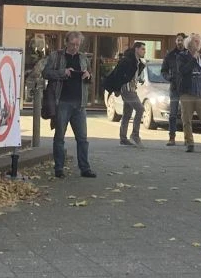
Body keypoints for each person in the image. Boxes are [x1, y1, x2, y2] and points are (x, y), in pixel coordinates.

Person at [43, 30, 95, 178]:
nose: (75, 47)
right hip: (62, 102)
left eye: (78, 45)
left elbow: (91, 78)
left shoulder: (83, 58)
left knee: (83, 139)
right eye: (72, 44)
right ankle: (59, 169)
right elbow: (45, 73)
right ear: (66, 42)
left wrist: (88, 75)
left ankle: (85, 168)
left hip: (80, 104)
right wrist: (63, 72)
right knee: (59, 137)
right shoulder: (56, 56)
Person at [177, 32, 201, 153]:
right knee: (186, 120)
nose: (198, 43)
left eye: (199, 41)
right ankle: (189, 143)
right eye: (196, 41)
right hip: (187, 93)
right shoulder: (182, 56)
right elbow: (183, 71)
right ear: (189, 43)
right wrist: (193, 60)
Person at [104, 41, 147, 147]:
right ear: (136, 49)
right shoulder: (127, 61)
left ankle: (123, 138)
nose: (144, 51)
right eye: (142, 49)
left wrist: (138, 79)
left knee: (127, 113)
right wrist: (117, 88)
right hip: (126, 89)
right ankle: (135, 135)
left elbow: (134, 75)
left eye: (144, 49)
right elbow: (118, 74)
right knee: (140, 109)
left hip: (132, 89)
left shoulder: (139, 62)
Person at [162, 34, 189, 146]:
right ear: (175, 41)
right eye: (178, 40)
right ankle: (171, 137)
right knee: (173, 114)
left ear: (185, 41)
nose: (179, 42)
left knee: (186, 115)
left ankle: (187, 138)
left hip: (186, 89)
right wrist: (169, 78)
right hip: (174, 88)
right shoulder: (170, 55)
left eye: (181, 40)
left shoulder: (189, 54)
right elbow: (163, 71)